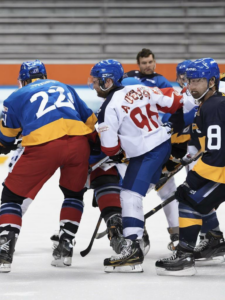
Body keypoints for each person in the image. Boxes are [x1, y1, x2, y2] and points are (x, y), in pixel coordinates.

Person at [0, 60, 97, 273]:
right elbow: (90, 121)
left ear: (23, 80)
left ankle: (4, 251)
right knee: (73, 194)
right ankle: (65, 247)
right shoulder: (63, 86)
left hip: (45, 147)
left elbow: (7, 137)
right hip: (79, 144)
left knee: (12, 197)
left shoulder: (15, 96)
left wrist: (1, 145)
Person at [89, 59, 184, 273]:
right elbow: (174, 103)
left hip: (146, 152)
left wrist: (119, 148)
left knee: (130, 195)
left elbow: (110, 149)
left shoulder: (107, 108)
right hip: (163, 145)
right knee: (139, 192)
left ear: (108, 81)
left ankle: (132, 248)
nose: (93, 85)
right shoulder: (141, 88)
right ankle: (138, 230)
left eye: (96, 81)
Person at [155, 58, 225, 276]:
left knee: (190, 198)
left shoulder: (214, 106)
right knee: (192, 198)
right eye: (189, 81)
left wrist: (192, 180)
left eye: (197, 81)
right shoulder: (209, 103)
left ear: (212, 81)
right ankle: (213, 242)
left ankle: (185, 255)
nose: (191, 86)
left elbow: (218, 153)